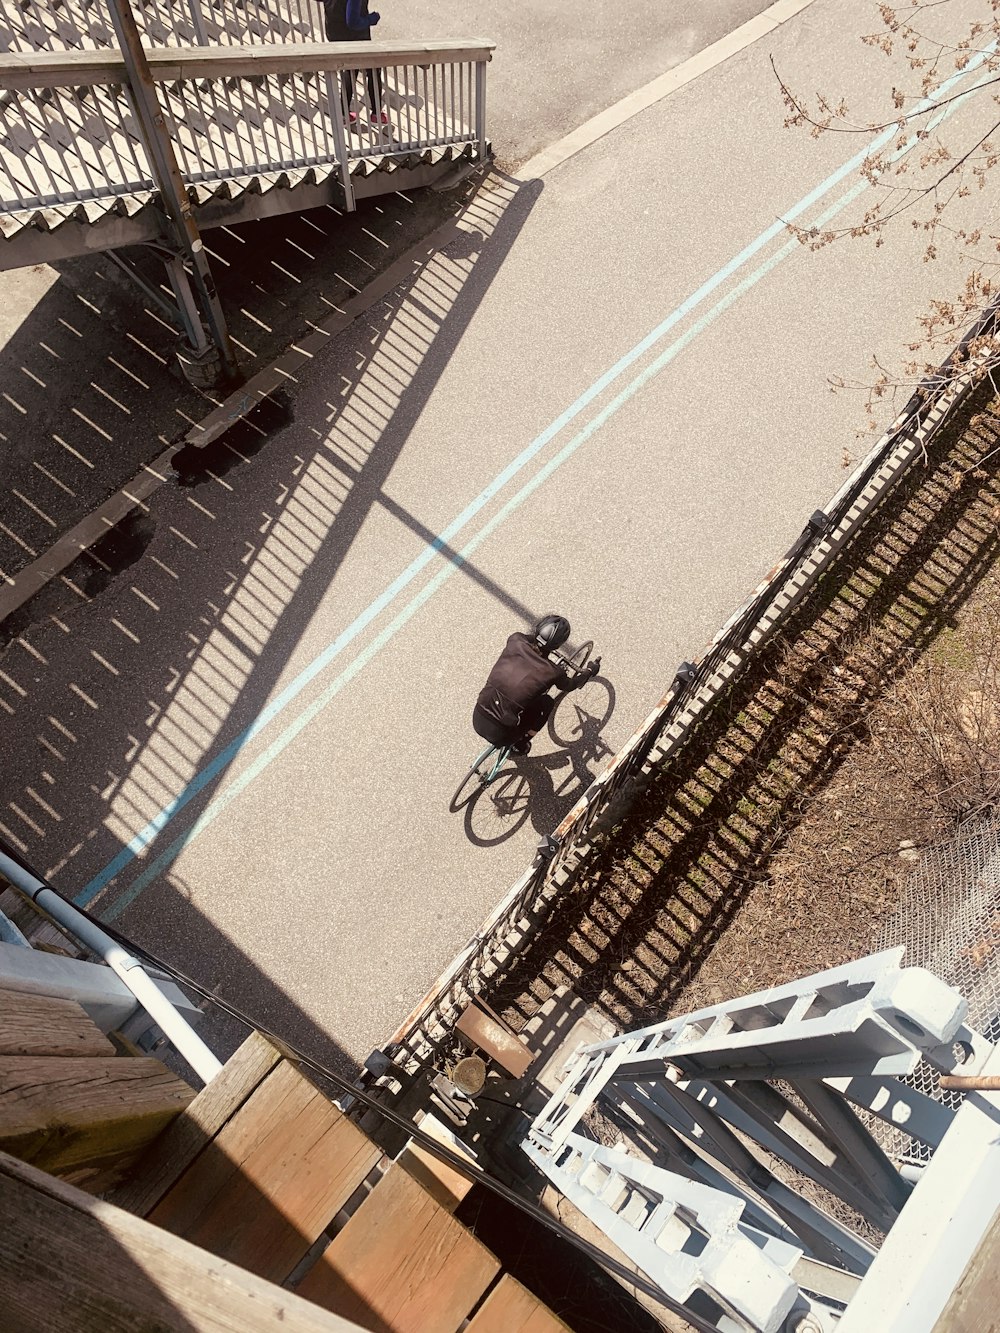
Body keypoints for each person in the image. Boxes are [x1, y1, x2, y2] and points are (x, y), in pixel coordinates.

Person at [473, 615, 601, 755]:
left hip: (478, 716)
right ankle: (521, 744)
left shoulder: (515, 639)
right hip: (501, 734)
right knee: (547, 702)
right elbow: (570, 685)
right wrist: (589, 671)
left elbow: (528, 639)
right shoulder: (552, 672)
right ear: (558, 645)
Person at [323, 0, 388, 127]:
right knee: (373, 69)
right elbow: (353, 22)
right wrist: (372, 19)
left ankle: (343, 115)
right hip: (355, 38)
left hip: (334, 34)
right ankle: (376, 115)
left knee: (350, 71)